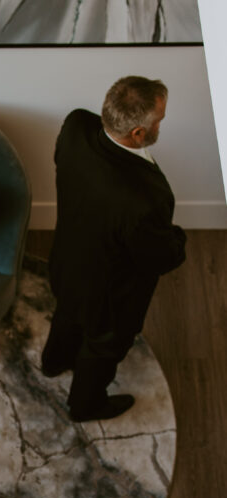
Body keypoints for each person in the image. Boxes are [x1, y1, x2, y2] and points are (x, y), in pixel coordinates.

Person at [41, 76, 187, 422]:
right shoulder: (143, 200)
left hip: (66, 261)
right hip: (108, 295)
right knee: (102, 348)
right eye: (159, 120)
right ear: (138, 133)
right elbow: (161, 257)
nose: (161, 126)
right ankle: (85, 405)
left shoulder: (76, 126)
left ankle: (54, 361)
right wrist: (178, 238)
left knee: (67, 312)